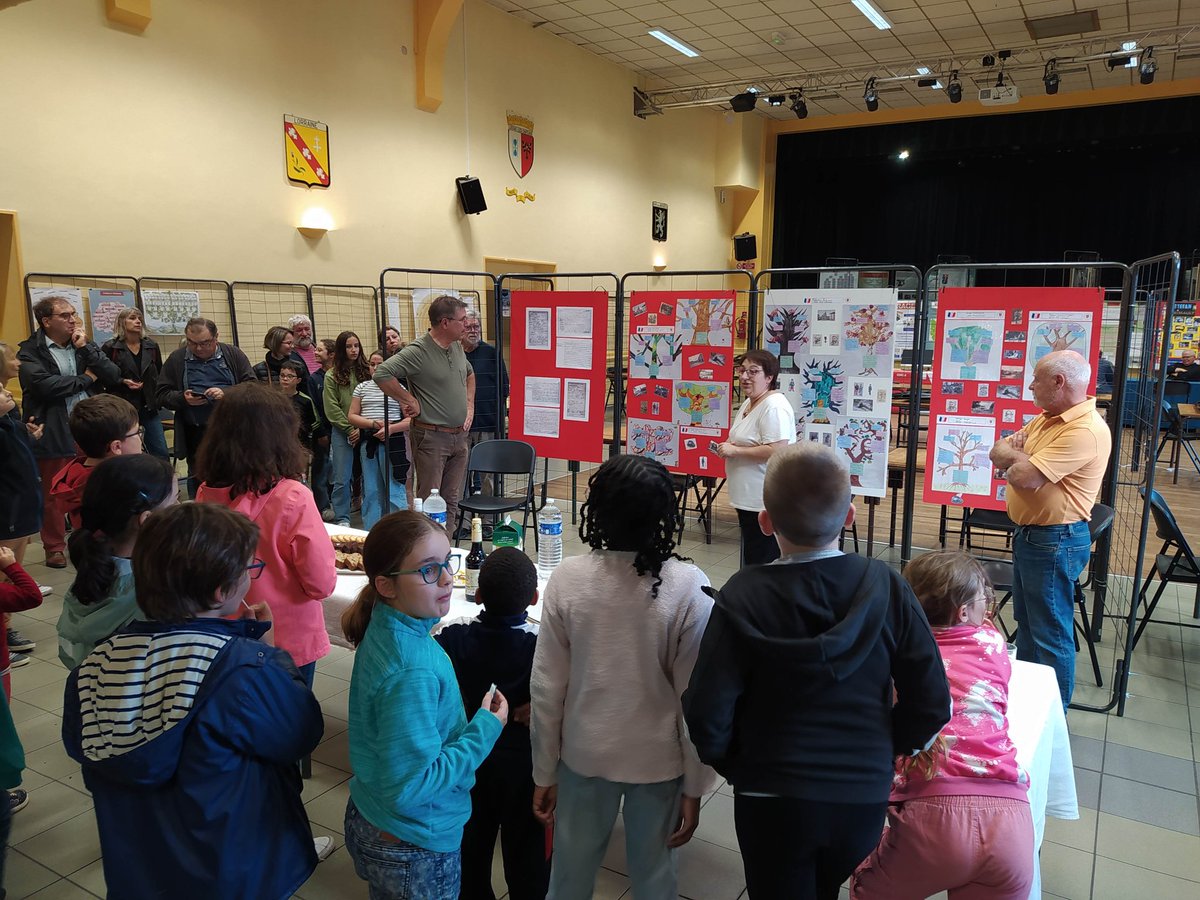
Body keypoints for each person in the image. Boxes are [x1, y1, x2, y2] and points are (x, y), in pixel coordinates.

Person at [682, 443, 951, 900]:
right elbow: (932, 701)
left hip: (769, 794)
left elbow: (707, 709)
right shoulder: (886, 586)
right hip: (859, 795)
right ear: (850, 516)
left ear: (765, 522)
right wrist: (884, 747)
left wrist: (739, 766)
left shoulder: (742, 593)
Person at [61, 502, 326, 900]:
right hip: (233, 868)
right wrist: (269, 659)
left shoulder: (95, 665)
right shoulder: (245, 669)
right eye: (249, 570)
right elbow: (300, 733)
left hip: (140, 869)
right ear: (222, 591)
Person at [531, 454, 714, 900]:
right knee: (655, 878)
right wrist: (696, 784)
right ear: (666, 515)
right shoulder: (689, 585)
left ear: (597, 511)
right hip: (658, 763)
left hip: (583, 755)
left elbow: (546, 689)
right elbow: (696, 703)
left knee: (569, 875)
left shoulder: (568, 578)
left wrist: (543, 770)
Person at [341, 511, 507, 899]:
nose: (448, 577)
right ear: (386, 585)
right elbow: (414, 785)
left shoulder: (387, 624)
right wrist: (486, 728)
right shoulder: (411, 669)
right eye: (428, 570)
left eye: (448, 562)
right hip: (413, 843)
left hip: (379, 816)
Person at [851, 550, 1033, 900]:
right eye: (986, 600)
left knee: (871, 889)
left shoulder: (892, 652)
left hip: (933, 813)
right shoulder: (992, 642)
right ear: (964, 612)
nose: (989, 610)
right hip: (1010, 817)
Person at [989, 350, 1111, 710]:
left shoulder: (1085, 430)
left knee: (1051, 632)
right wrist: (1019, 461)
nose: (1030, 385)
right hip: (1034, 537)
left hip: (1054, 540)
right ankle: (1029, 703)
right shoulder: (1048, 419)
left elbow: (1023, 477)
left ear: (1058, 383)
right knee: (1027, 622)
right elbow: (998, 452)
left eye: (1037, 378)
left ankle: (1051, 718)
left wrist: (1020, 463)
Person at [196, 382, 337, 689]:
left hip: (224, 632)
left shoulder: (205, 493)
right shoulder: (293, 496)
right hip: (288, 635)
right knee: (288, 721)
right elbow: (321, 583)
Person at [435, 548, 548, 900]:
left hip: (468, 764)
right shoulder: (542, 646)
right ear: (534, 598)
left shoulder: (451, 638)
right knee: (528, 858)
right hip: (525, 769)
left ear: (478, 594)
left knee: (471, 850)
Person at [17, 295, 120, 567]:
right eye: (64, 315)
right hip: (52, 428)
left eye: (73, 313)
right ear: (46, 321)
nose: (72, 319)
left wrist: (87, 350)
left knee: (98, 484)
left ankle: (99, 536)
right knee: (53, 492)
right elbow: (46, 387)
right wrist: (87, 378)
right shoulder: (29, 351)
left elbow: (112, 374)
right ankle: (54, 547)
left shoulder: (82, 345)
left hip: (92, 425)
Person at [57, 454, 178, 669]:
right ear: (148, 520)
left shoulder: (91, 572)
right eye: (175, 501)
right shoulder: (157, 591)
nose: (181, 506)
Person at [374, 296, 475, 534]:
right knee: (431, 500)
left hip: (459, 437)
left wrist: (469, 406)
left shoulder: (457, 348)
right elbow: (382, 374)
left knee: (451, 499)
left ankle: (445, 550)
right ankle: (426, 550)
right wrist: (408, 399)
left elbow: (470, 374)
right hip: (431, 436)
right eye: (462, 320)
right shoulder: (418, 351)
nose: (467, 324)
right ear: (444, 323)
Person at [156, 317, 255, 497]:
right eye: (192, 343)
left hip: (232, 432)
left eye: (205, 343)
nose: (199, 348)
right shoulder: (177, 359)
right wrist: (183, 398)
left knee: (236, 475)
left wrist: (227, 393)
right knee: (200, 477)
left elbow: (252, 386)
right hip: (196, 432)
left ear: (216, 337)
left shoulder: (233, 355)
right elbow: (161, 394)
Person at [715, 349, 797, 566]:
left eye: (753, 372)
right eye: (742, 371)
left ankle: (761, 600)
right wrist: (730, 446)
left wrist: (735, 451)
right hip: (748, 499)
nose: (744, 377)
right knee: (753, 558)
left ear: (769, 377)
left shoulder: (774, 406)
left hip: (764, 500)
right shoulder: (750, 402)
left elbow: (776, 449)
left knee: (763, 561)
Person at [0, 342, 46, 671]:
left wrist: (27, 434)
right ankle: (5, 632)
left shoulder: (6, 404)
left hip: (22, 490)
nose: (17, 363)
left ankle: (8, 624)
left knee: (16, 556)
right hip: (6, 497)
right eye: (11, 358)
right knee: (5, 561)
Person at [49, 394, 143, 532]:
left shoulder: (78, 475)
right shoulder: (115, 486)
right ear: (116, 447)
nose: (140, 437)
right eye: (137, 432)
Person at [348, 351, 410, 529]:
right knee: (372, 488)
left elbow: (409, 419)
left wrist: (391, 429)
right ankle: (372, 530)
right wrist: (373, 423)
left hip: (393, 443)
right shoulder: (362, 387)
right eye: (372, 364)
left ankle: (400, 529)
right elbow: (352, 416)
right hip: (369, 442)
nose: (375, 368)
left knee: (394, 486)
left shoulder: (398, 388)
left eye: (380, 364)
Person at [100, 307, 169, 460]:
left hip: (148, 406)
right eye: (132, 318)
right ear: (121, 322)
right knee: (126, 452)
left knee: (160, 451)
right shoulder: (111, 347)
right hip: (122, 407)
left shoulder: (151, 346)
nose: (138, 321)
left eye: (139, 318)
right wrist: (122, 381)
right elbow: (103, 376)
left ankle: (162, 481)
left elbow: (159, 372)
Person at [461, 307, 509, 504]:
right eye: (469, 327)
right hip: (461, 424)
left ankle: (489, 518)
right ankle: (461, 519)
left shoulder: (490, 352)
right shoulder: (453, 353)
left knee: (488, 474)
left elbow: (504, 385)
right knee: (460, 474)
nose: (474, 330)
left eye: (477, 326)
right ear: (459, 329)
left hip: (488, 421)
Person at [323, 331, 369, 527]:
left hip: (366, 430)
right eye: (349, 346)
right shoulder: (331, 375)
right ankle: (342, 517)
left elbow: (371, 401)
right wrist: (350, 428)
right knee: (342, 477)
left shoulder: (367, 372)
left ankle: (371, 515)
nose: (353, 350)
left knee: (370, 475)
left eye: (356, 346)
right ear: (341, 350)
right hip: (342, 433)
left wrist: (361, 428)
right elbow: (331, 407)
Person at [310, 338, 336, 519]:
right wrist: (321, 432)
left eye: (320, 350)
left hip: (341, 431)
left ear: (332, 355)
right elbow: (315, 409)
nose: (315, 352)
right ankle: (322, 506)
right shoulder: (314, 379)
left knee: (338, 470)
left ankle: (339, 502)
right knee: (321, 469)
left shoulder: (339, 375)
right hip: (323, 432)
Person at [276, 359, 321, 453]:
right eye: (282, 376)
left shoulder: (306, 400)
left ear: (298, 380)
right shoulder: (273, 399)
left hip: (301, 444)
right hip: (278, 444)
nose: (285, 379)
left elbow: (315, 422)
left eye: (290, 376)